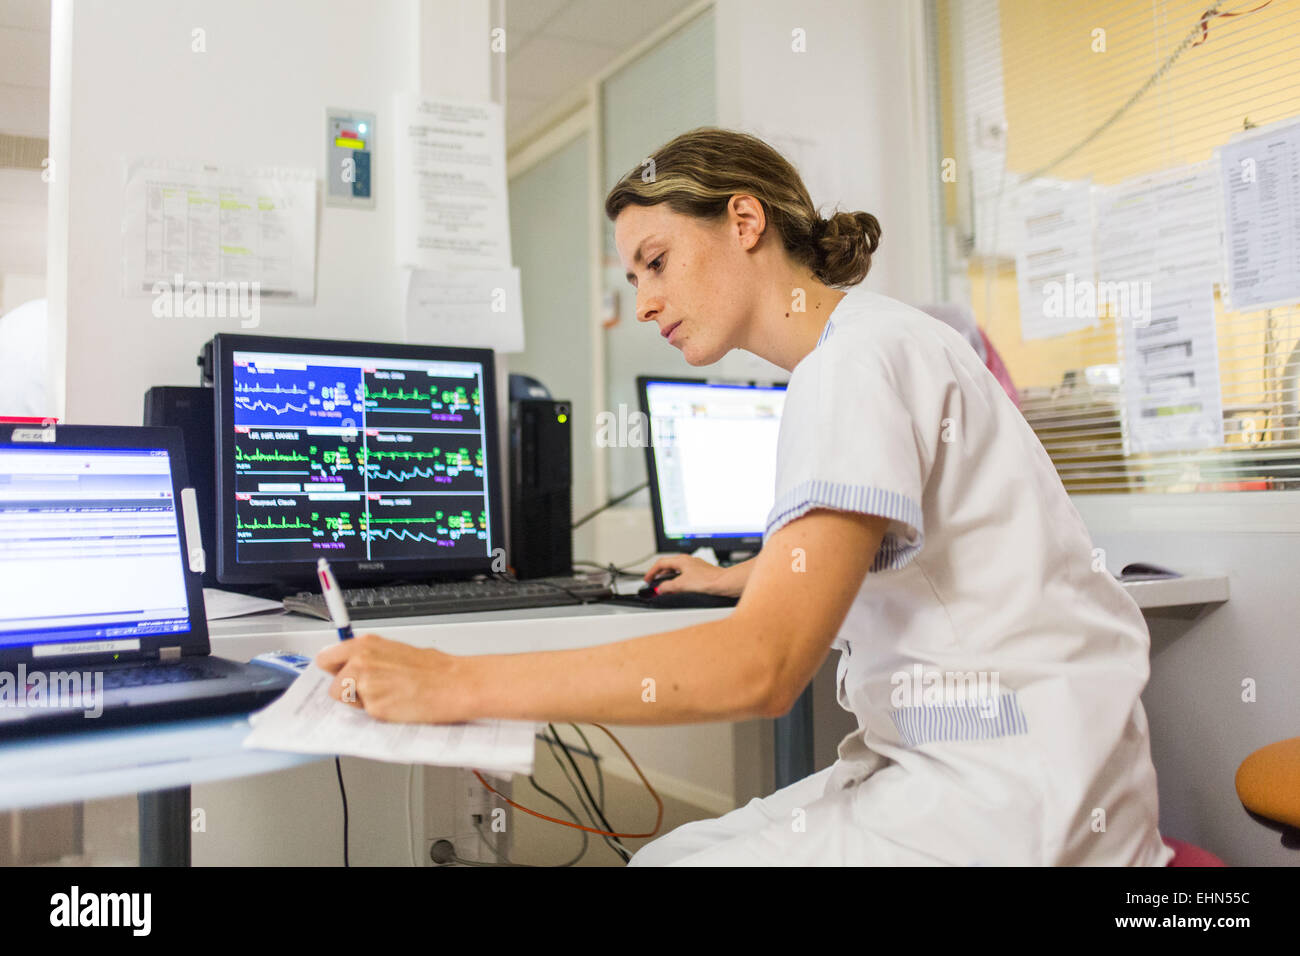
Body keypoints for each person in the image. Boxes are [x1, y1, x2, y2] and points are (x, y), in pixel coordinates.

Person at [316, 126, 1172, 866]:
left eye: (656, 263)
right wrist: (743, 576)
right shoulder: (882, 336)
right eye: (633, 281)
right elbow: (891, 545)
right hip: (1034, 759)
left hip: (1004, 797)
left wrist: (453, 684)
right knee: (674, 850)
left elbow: (761, 669)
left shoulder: (848, 367)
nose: (646, 304)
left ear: (744, 220)